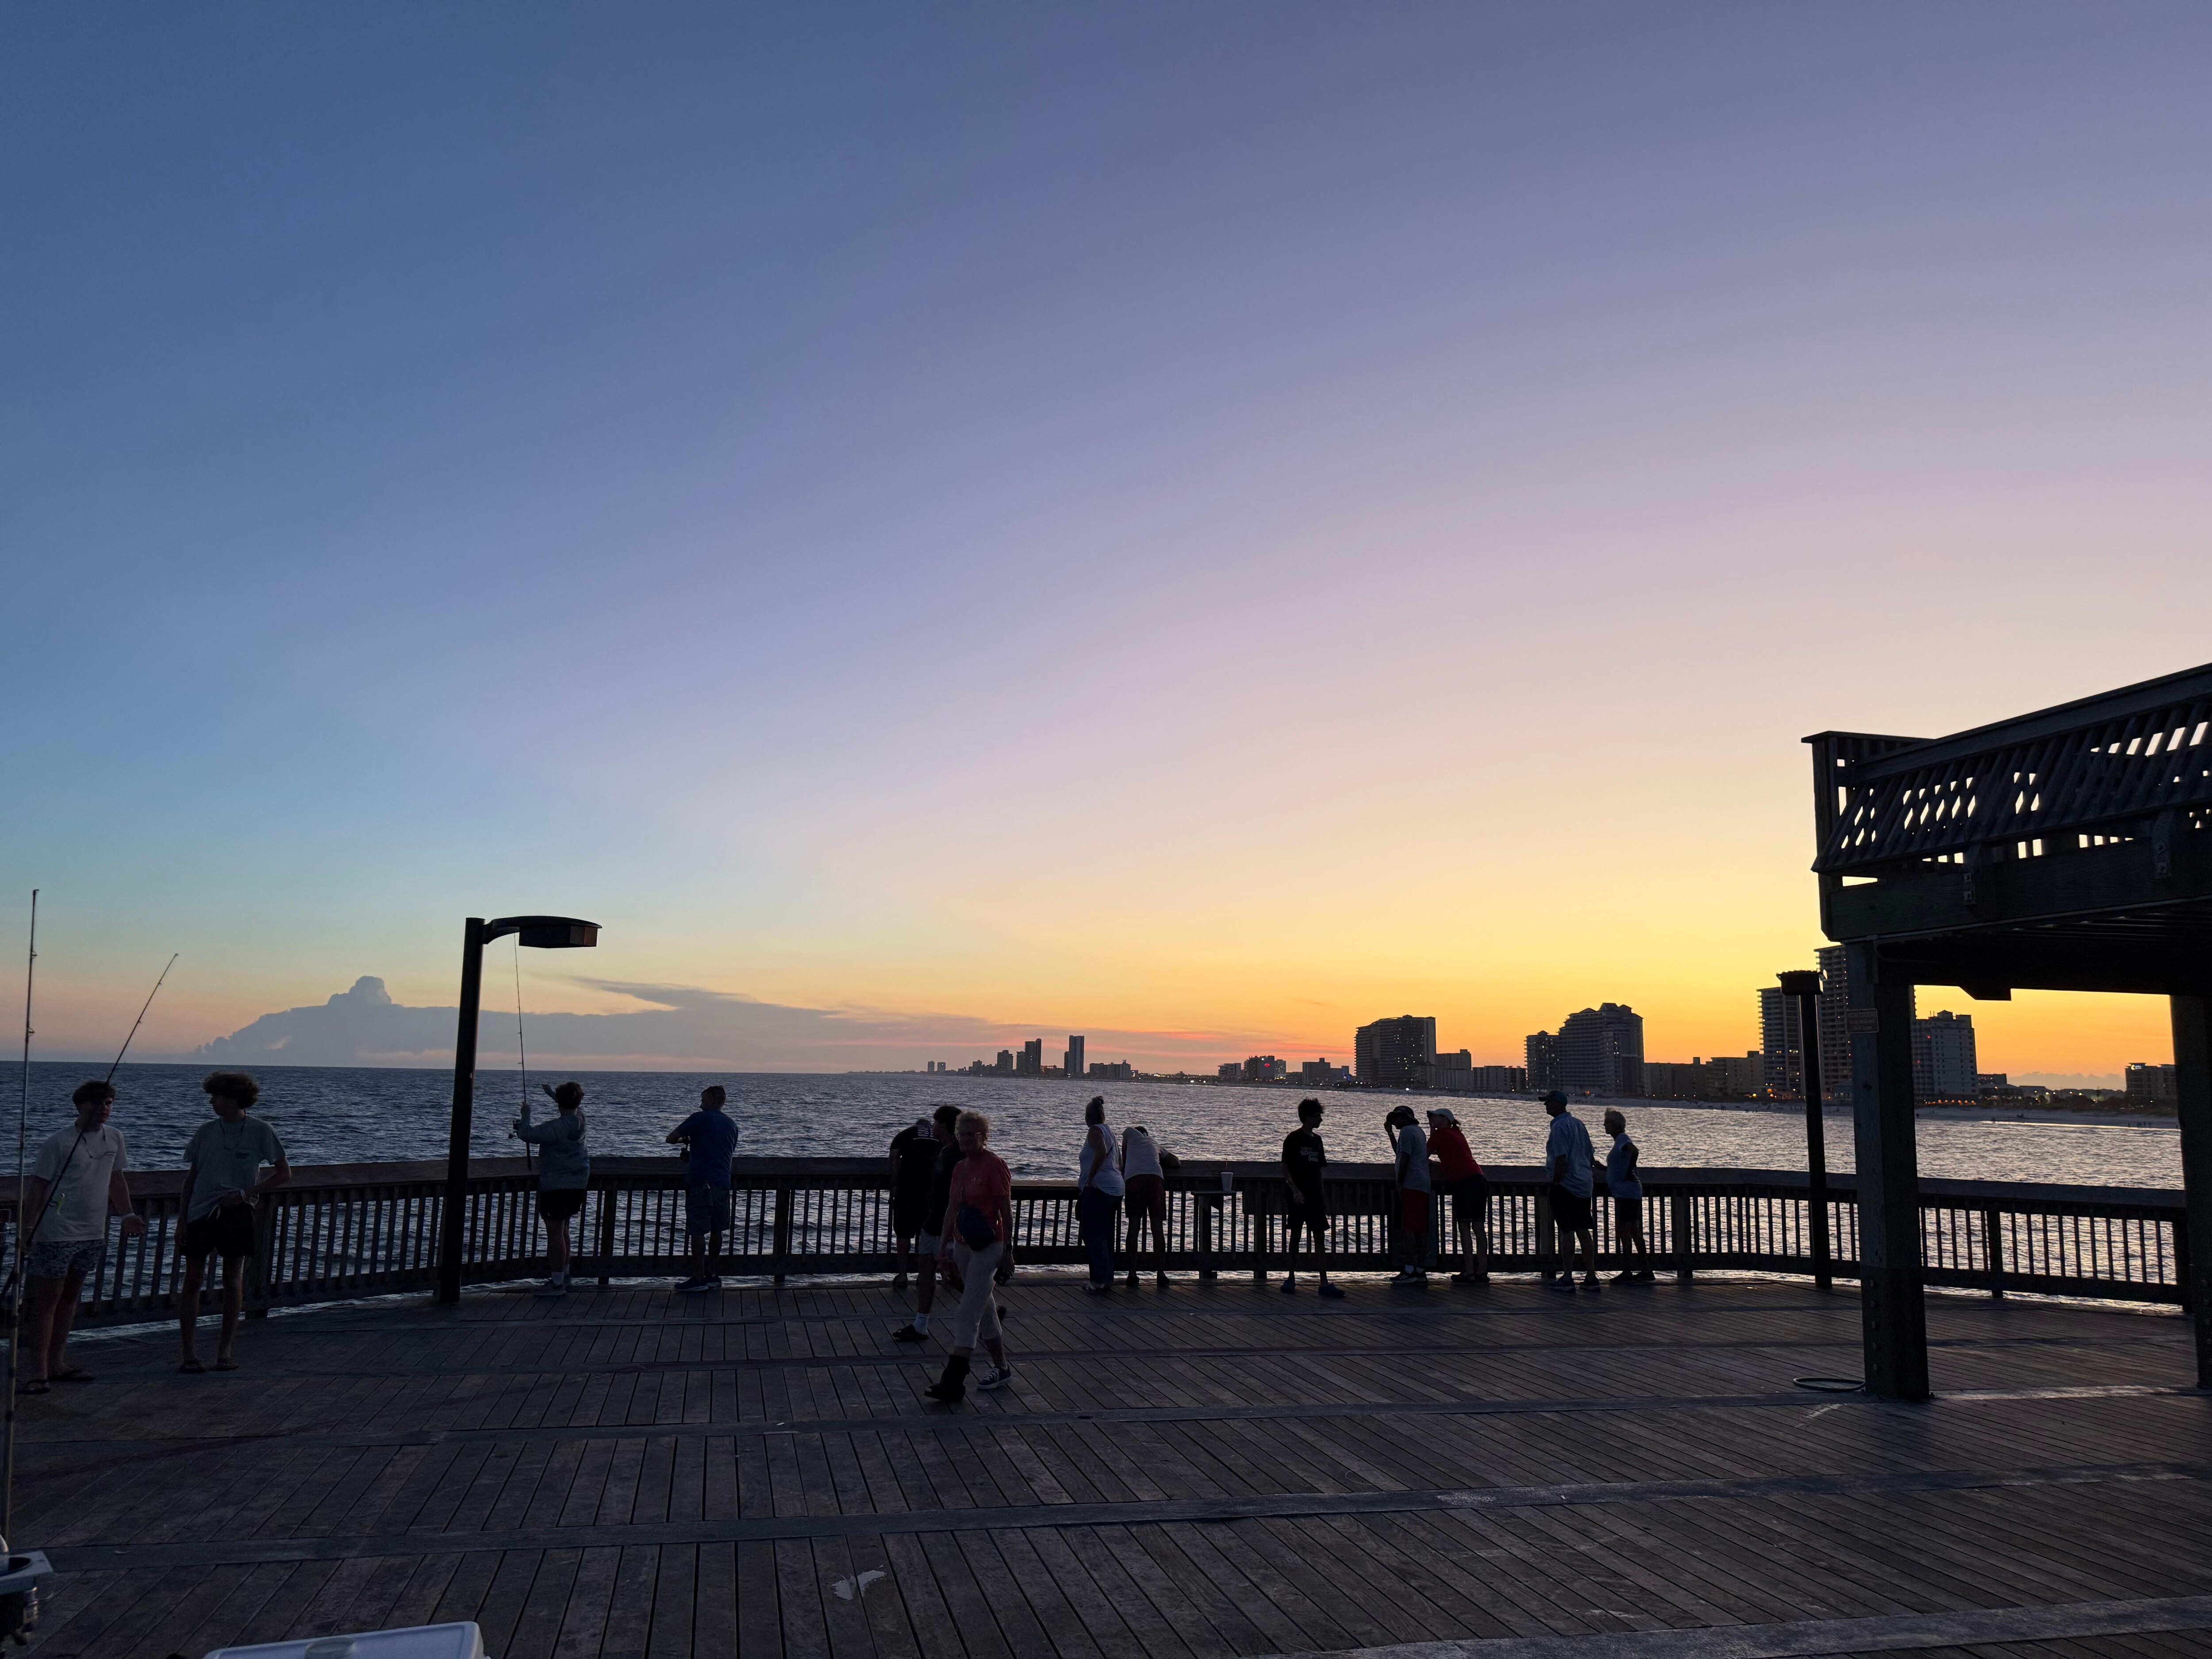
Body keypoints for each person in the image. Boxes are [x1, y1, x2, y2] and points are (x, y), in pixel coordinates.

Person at [18, 1080, 145, 1393]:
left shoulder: (115, 1137)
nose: (104, 1109)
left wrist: (127, 1214)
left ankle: (58, 1361)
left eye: (110, 1103)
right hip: (56, 1232)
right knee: (46, 1300)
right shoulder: (58, 1142)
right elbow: (38, 1186)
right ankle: (38, 1370)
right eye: (98, 1103)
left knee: (71, 1297)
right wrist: (27, 1229)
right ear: (80, 1106)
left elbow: (117, 1179)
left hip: (93, 1231)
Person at [178, 1071, 291, 1373]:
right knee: (193, 1279)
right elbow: (192, 1178)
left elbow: (283, 1174)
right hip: (199, 1212)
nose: (212, 1102)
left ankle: (224, 1351)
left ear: (232, 1099)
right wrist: (182, 1220)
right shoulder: (205, 1132)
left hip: (237, 1213)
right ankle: (189, 1353)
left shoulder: (260, 1131)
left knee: (233, 1280)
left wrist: (245, 1194)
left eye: (216, 1097)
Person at [924, 1110, 1014, 1402]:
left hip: (989, 1246)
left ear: (984, 1137)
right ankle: (1002, 1367)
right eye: (963, 1134)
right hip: (963, 1245)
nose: (966, 1139)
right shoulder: (960, 1168)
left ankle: (954, 1380)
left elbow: (1005, 1212)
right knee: (983, 1308)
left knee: (967, 1312)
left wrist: (1009, 1252)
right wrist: (944, 1248)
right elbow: (952, 1208)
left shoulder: (995, 1166)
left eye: (973, 1134)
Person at [893, 1105, 963, 1342]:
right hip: (931, 1222)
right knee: (926, 1268)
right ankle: (920, 1324)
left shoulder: (958, 1155)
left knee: (955, 1274)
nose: (932, 1128)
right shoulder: (943, 1151)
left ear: (943, 1126)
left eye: (936, 1124)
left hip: (948, 1225)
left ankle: (989, 1311)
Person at [516, 1081, 590, 1295]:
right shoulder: (580, 1120)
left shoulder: (555, 1127)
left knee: (555, 1234)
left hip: (556, 1185)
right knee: (563, 1229)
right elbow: (572, 1104)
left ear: (560, 1104)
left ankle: (557, 1283)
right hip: (578, 1183)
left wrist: (526, 1114)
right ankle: (565, 1275)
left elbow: (526, 1134)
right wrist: (552, 1094)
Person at [667, 1084, 739, 1292]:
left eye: (703, 1101)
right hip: (723, 1184)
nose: (700, 1105)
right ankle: (713, 1276)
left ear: (713, 1101)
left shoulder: (699, 1118)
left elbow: (671, 1138)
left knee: (697, 1230)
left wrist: (685, 1140)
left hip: (701, 1183)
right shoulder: (732, 1125)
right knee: (718, 1230)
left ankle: (698, 1278)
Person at [1279, 1098, 1343, 1298]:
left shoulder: (1317, 1140)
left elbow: (1319, 1172)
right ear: (1307, 1117)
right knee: (1295, 1237)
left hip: (1315, 1197)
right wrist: (1295, 1191)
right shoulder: (1294, 1138)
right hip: (1298, 1196)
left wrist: (1323, 1197)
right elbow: (1285, 1167)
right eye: (1317, 1116)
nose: (1320, 1120)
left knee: (1320, 1239)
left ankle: (1324, 1282)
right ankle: (1290, 1278)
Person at [1425, 1106, 1490, 1285]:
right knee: (1478, 1227)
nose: (1432, 1119)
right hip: (1479, 1178)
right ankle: (1482, 1272)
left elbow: (1424, 1154)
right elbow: (1449, 1152)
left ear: (1445, 1119)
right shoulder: (1457, 1134)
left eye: (1435, 1117)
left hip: (1463, 1182)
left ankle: (1469, 1272)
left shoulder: (1440, 1135)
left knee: (1464, 1227)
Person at [1543, 1090, 1599, 1293]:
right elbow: (1591, 1156)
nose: (1546, 1106)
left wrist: (1556, 1182)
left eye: (1548, 1102)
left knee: (1566, 1231)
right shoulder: (1579, 1125)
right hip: (1585, 1185)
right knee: (1583, 1230)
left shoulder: (1559, 1126)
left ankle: (1567, 1276)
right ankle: (1591, 1276)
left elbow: (1561, 1159)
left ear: (1558, 1105)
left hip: (1566, 1185)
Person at [1076, 1095, 1123, 1293]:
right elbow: (1119, 1162)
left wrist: (1091, 1180)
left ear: (1089, 1117)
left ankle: (1098, 1280)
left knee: (1092, 1233)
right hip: (1115, 1189)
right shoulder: (1110, 1131)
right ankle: (1106, 1278)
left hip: (1100, 1189)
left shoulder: (1095, 1131)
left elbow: (1101, 1152)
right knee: (1104, 1234)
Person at [888, 1114, 941, 1289]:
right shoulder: (939, 1137)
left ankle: (903, 1275)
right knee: (926, 1234)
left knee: (903, 1234)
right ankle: (923, 1276)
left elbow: (894, 1158)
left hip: (906, 1190)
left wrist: (894, 1183)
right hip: (932, 1193)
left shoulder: (905, 1135)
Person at [1603, 1108, 1652, 1283]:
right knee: (1632, 1230)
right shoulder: (1619, 1142)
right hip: (1627, 1193)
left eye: (1608, 1122)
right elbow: (1619, 1165)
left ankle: (1629, 1271)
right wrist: (1603, 1169)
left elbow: (1634, 1151)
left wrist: (1629, 1171)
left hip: (1627, 1193)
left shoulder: (1623, 1140)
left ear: (1617, 1125)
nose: (1605, 1125)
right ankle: (1644, 1269)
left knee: (1626, 1231)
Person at [1384, 1105, 1431, 1283]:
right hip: (1423, 1183)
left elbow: (1404, 1159)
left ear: (1405, 1119)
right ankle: (1420, 1269)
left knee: (1409, 1228)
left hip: (1411, 1183)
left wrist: (1400, 1182)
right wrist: (1390, 1134)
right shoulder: (1418, 1132)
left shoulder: (1407, 1132)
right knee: (1420, 1227)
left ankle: (1409, 1269)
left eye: (1397, 1119)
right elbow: (1400, 1153)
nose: (1395, 1122)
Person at [1120, 1123, 1168, 1288]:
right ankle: (1161, 1273)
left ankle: (1132, 1273)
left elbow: (1124, 1151)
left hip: (1134, 1181)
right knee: (1157, 1228)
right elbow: (1175, 1162)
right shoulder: (1154, 1143)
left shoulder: (1129, 1136)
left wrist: (1124, 1167)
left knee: (1134, 1227)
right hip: (1155, 1180)